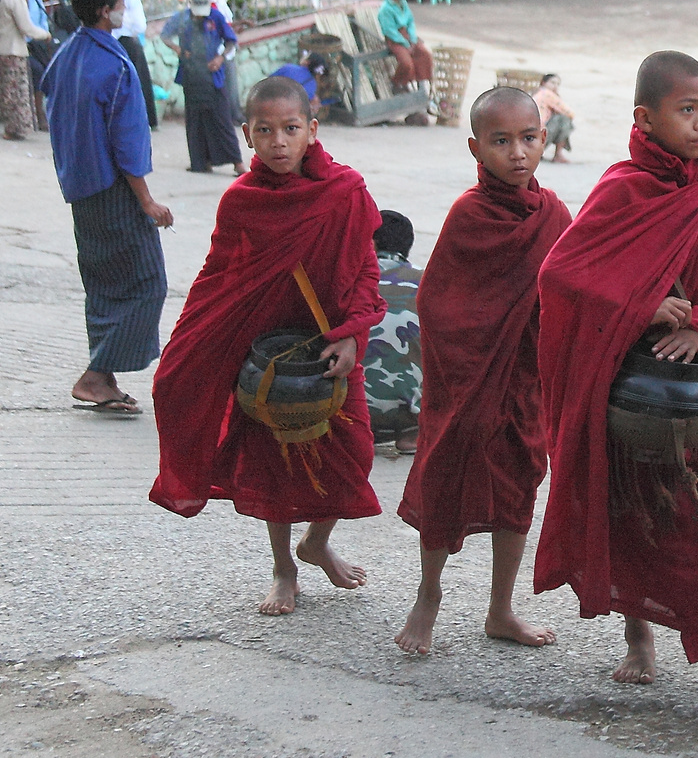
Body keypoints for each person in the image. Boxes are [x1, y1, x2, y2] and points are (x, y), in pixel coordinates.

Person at [533, 51, 698, 698]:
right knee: (639, 510)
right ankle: (639, 636)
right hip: (634, 388)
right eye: (688, 110)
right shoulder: (622, 188)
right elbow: (562, 274)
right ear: (645, 119)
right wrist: (645, 305)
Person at [150, 75, 386, 615]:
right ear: (247, 135)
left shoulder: (344, 191)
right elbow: (219, 275)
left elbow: (365, 272)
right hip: (269, 353)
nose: (279, 141)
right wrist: (196, 349)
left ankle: (317, 543)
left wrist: (353, 334)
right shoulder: (242, 201)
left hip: (328, 345)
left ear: (312, 130)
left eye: (290, 128)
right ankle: (284, 569)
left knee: (355, 452)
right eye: (265, 130)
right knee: (273, 463)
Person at [394, 87, 572, 654]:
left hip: (523, 380)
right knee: (447, 472)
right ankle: (428, 595)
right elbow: (437, 301)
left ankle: (502, 608)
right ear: (476, 147)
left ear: (544, 138)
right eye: (501, 141)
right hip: (466, 380)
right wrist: (473, 350)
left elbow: (566, 291)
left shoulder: (554, 215)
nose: (517, 153)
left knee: (519, 481)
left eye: (528, 138)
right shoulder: (468, 216)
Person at [43, 0, 173, 414]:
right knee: (147, 283)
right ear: (105, 10)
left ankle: (105, 377)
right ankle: (96, 377)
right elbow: (127, 145)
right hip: (114, 190)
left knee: (102, 285)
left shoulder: (66, 55)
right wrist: (148, 202)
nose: (123, 10)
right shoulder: (115, 67)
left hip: (79, 188)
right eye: (119, 3)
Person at [163, 0, 244, 175]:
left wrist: (220, 58)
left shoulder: (216, 17)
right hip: (191, 76)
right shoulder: (182, 18)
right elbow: (165, 35)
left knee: (221, 118)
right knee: (195, 121)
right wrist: (178, 49)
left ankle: (237, 162)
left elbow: (231, 40)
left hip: (212, 75)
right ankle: (200, 162)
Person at [365, 209, 423, 455]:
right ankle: (412, 436)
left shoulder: (347, 278)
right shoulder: (428, 282)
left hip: (346, 411)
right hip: (410, 413)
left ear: (371, 243)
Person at [105, 0, 158, 130]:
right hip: (128, 42)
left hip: (108, 42)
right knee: (138, 82)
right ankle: (146, 119)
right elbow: (140, 26)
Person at [0, 0, 50, 140]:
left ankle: (11, 128)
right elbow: (26, 27)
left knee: (8, 92)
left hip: (2, 49)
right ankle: (18, 128)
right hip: (14, 50)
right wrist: (45, 35)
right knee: (18, 92)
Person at [377, 0, 433, 93]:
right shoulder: (385, 10)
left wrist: (412, 39)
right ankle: (397, 83)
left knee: (424, 53)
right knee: (406, 63)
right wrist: (405, 43)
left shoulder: (403, 3)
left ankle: (420, 83)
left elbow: (410, 22)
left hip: (408, 36)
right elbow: (389, 31)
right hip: (395, 40)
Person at [534, 73, 574, 163]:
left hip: (534, 133)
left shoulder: (538, 93)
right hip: (540, 132)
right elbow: (570, 113)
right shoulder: (547, 94)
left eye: (557, 84)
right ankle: (558, 154)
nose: (555, 86)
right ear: (544, 83)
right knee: (564, 119)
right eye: (552, 83)